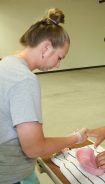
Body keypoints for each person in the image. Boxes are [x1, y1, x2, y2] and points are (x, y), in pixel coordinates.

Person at [0, 8, 87, 184]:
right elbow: (34, 148)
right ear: (47, 47)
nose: (57, 65)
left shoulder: (6, 63)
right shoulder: (25, 79)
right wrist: (75, 138)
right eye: (59, 57)